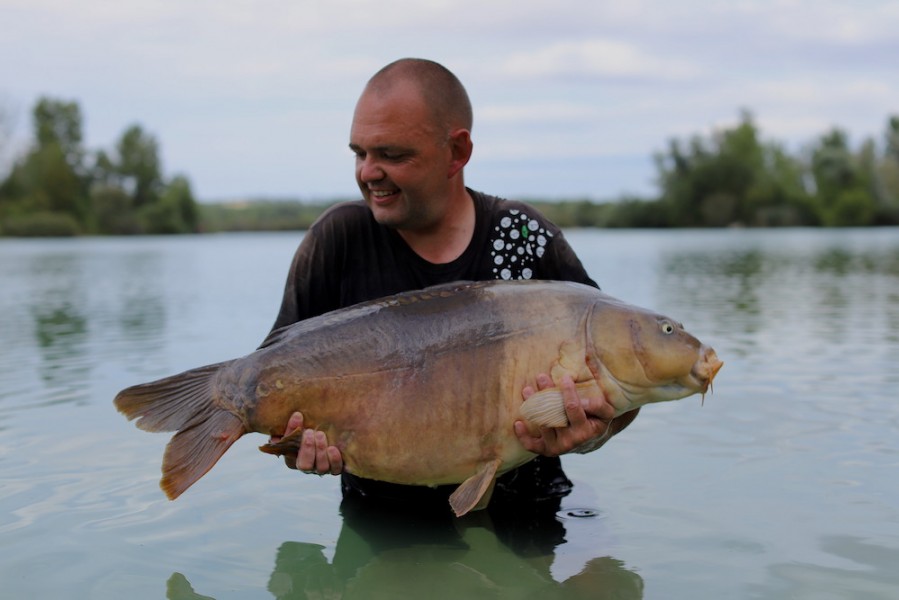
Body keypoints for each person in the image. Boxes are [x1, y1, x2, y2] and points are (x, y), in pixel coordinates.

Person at [267, 57, 639, 512]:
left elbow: (620, 384)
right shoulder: (339, 241)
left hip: (529, 514)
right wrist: (295, 444)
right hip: (383, 520)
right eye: (359, 153)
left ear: (457, 152)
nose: (367, 172)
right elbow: (274, 382)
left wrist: (592, 435)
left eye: (392, 155)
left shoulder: (524, 238)